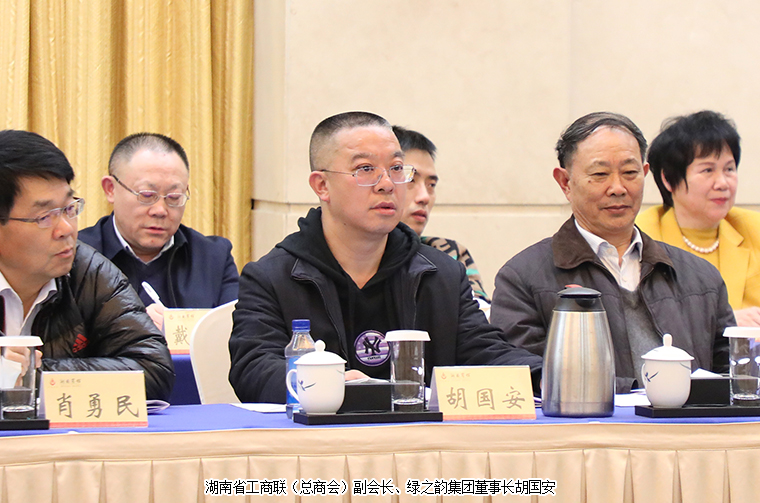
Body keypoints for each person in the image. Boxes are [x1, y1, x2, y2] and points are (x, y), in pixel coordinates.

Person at [229, 111, 541, 403]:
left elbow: (485, 353)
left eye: (396, 169)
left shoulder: (441, 274)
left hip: (418, 439)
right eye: (365, 169)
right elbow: (252, 368)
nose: (387, 184)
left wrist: (548, 377)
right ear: (322, 185)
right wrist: (324, 383)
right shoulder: (272, 277)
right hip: (320, 438)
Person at [490, 112, 733, 393]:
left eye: (630, 173)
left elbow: (733, 377)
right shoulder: (522, 278)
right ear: (565, 182)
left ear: (645, 173)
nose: (618, 188)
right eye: (600, 175)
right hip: (592, 422)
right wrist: (635, 394)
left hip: (688, 422)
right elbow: (526, 376)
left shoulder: (700, 277)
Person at [0, 130, 174, 400]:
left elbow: (153, 368)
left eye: (69, 209)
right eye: (45, 217)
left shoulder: (87, 272)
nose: (66, 229)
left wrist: (36, 374)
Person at [78, 133, 239, 330]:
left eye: (174, 197)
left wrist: (176, 330)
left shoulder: (213, 257)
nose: (160, 210)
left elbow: (233, 336)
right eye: (147, 195)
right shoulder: (76, 257)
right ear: (110, 189)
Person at [636, 111, 760, 327]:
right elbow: (640, 321)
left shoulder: (753, 228)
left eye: (729, 169)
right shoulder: (642, 237)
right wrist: (727, 323)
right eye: (707, 170)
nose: (722, 183)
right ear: (668, 179)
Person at [393, 125, 491, 307]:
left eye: (431, 185)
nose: (424, 197)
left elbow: (479, 314)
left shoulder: (449, 254)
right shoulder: (354, 255)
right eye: (410, 180)